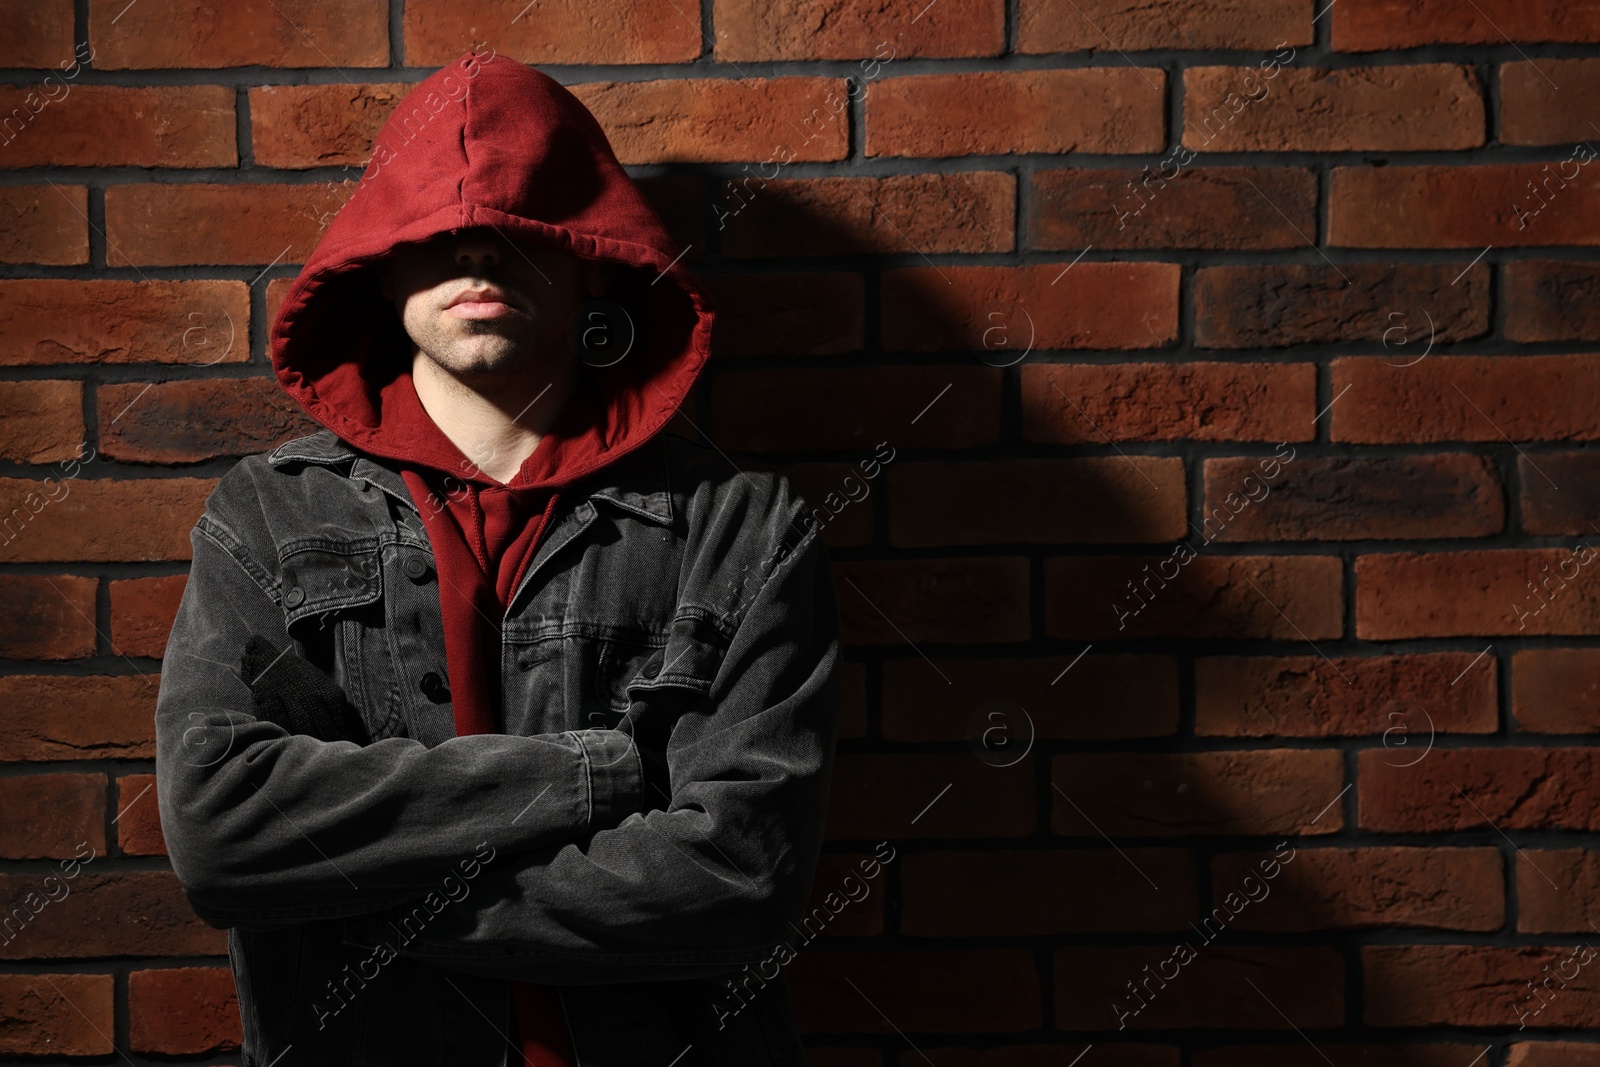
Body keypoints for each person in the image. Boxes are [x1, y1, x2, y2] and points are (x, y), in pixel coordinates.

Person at [153, 50, 841, 1066]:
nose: (475, 254)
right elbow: (220, 829)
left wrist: (359, 905)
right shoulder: (267, 514)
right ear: (382, 265)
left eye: (517, 231)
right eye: (433, 229)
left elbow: (739, 874)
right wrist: (592, 776)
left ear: (593, 259)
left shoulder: (736, 527)